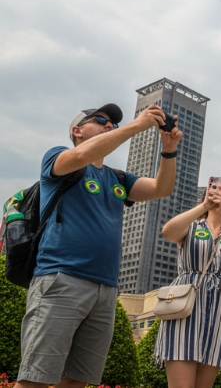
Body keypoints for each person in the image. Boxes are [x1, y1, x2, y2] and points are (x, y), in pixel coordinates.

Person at [14, 103, 181, 388]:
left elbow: (160, 189)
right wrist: (137, 125)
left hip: (105, 288)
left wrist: (168, 149)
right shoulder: (57, 158)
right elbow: (81, 155)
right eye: (101, 120)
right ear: (77, 131)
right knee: (36, 379)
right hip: (61, 278)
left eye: (113, 123)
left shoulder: (117, 178)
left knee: (78, 380)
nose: (109, 125)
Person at [154, 176, 221, 388]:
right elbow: (168, 232)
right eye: (214, 187)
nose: (219, 191)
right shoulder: (191, 226)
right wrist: (203, 206)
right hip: (185, 306)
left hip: (220, 310)